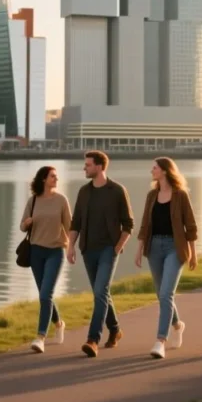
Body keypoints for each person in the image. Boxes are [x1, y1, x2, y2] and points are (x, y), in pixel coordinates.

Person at [68, 151, 134, 358]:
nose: (84, 168)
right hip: (88, 249)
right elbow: (76, 222)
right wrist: (71, 246)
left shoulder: (117, 191)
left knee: (99, 292)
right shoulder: (84, 192)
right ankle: (115, 330)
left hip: (108, 249)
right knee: (101, 292)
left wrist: (118, 246)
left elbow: (128, 223)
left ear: (99, 167)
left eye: (88, 165)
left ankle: (92, 340)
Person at [135, 158, 198, 360]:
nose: (151, 170)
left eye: (154, 167)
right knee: (162, 294)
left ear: (164, 171)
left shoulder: (181, 195)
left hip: (175, 247)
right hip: (154, 247)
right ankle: (178, 325)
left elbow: (191, 225)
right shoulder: (152, 195)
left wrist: (194, 253)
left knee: (165, 294)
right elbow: (145, 224)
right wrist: (139, 250)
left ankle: (160, 341)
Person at [20, 166, 72, 354]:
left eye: (56, 176)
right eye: (53, 176)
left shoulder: (61, 200)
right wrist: (26, 224)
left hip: (56, 251)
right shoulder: (33, 200)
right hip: (35, 251)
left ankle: (40, 337)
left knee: (45, 295)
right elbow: (22, 225)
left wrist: (72, 249)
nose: (56, 179)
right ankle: (58, 323)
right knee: (45, 294)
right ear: (43, 179)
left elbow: (70, 227)